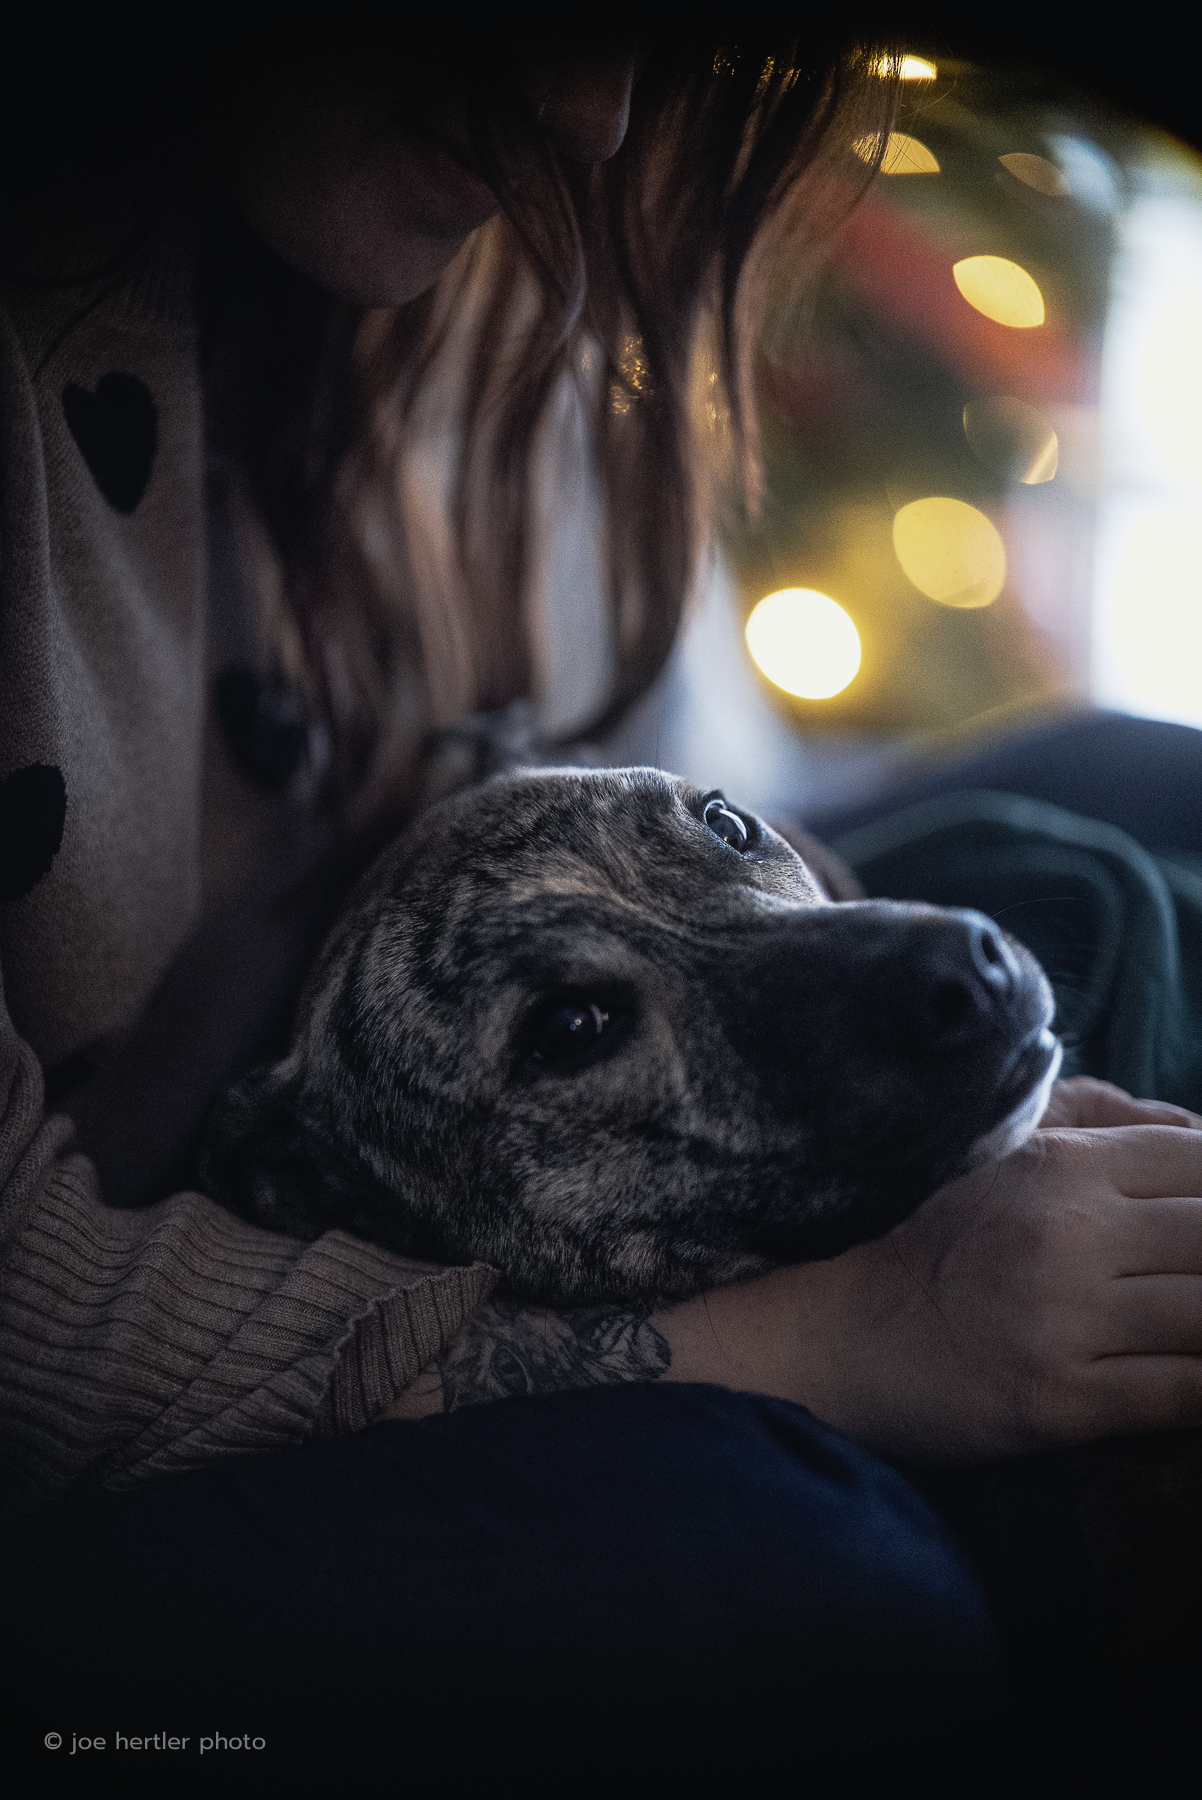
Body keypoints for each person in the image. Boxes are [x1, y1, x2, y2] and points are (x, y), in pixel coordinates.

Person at [3, 15, 1202, 1767]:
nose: (587, 112)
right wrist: (859, 1336)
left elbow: (713, 814)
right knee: (782, 1566)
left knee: (1126, 786)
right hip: (137, 1404)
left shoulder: (489, 280)